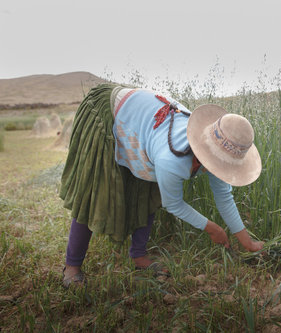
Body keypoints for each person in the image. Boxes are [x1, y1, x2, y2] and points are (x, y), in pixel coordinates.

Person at [60, 84, 264, 287]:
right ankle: (72, 266)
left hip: (146, 126)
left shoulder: (220, 151)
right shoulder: (172, 159)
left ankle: (138, 256)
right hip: (110, 112)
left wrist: (247, 242)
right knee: (98, 192)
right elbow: (173, 203)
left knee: (147, 192)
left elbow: (224, 196)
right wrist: (211, 228)